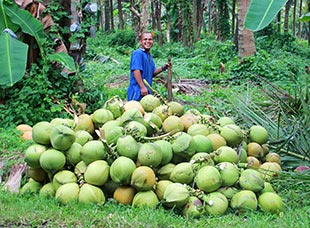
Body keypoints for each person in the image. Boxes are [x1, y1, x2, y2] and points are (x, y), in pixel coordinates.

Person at [127, 32, 171, 101]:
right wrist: (142, 87)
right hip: (137, 92)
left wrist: (163, 67)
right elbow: (136, 71)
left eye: (150, 39)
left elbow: (152, 73)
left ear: (153, 42)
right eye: (145, 39)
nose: (148, 41)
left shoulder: (149, 56)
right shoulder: (138, 53)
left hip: (146, 93)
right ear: (141, 42)